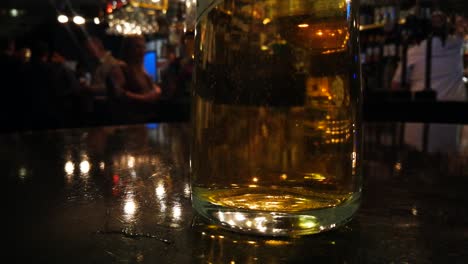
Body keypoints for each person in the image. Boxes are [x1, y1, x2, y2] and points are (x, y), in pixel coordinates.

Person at [392, 12, 467, 153]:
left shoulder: (414, 51)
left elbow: (396, 85)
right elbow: (462, 30)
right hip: (455, 116)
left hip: (420, 121)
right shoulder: (456, 44)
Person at [109, 35, 162, 123]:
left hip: (144, 119)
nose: (142, 51)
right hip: (129, 122)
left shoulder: (141, 69)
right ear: (128, 49)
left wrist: (156, 91)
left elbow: (154, 88)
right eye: (137, 47)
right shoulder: (121, 67)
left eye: (143, 47)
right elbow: (119, 94)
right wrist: (145, 98)